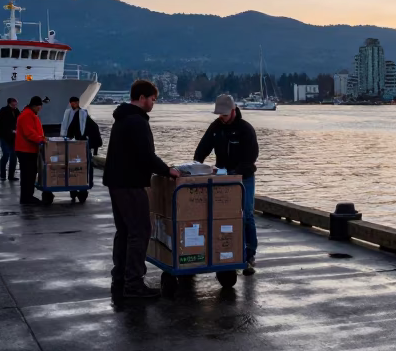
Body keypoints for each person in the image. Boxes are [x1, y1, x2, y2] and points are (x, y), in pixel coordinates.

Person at [103, 79, 179, 298]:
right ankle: (134, 284)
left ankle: (119, 277)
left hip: (116, 182)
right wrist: (168, 171)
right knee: (140, 231)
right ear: (142, 98)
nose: (153, 104)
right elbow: (146, 155)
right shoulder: (137, 121)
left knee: (124, 231)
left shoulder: (122, 118)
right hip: (130, 183)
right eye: (153, 99)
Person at [193, 94, 260, 275]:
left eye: (224, 114)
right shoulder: (215, 127)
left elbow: (251, 157)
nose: (222, 118)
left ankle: (249, 254)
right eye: (219, 114)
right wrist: (196, 164)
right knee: (221, 216)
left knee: (246, 214)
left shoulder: (246, 129)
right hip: (222, 177)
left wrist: (235, 172)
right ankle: (225, 250)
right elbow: (203, 147)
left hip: (244, 177)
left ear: (233, 110)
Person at [59, 95, 101, 198]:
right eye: (72, 103)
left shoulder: (81, 114)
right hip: (76, 142)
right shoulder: (72, 113)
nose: (73, 104)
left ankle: (79, 186)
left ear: (77, 103)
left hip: (80, 142)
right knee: (79, 165)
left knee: (80, 165)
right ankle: (80, 186)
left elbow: (91, 127)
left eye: (75, 102)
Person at [14, 96, 47, 205]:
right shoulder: (27, 115)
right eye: (39, 106)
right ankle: (27, 197)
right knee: (28, 174)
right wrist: (41, 140)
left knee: (29, 174)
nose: (40, 109)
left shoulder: (29, 114)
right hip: (26, 150)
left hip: (28, 149)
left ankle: (27, 196)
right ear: (35, 105)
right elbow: (29, 133)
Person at [0, 97, 20, 181]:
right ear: (9, 103)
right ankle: (3, 174)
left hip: (13, 137)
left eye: (16, 104)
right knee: (6, 154)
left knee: (13, 156)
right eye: (13, 104)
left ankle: (11, 175)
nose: (15, 106)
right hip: (5, 136)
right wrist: (5, 131)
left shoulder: (16, 111)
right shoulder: (3, 111)